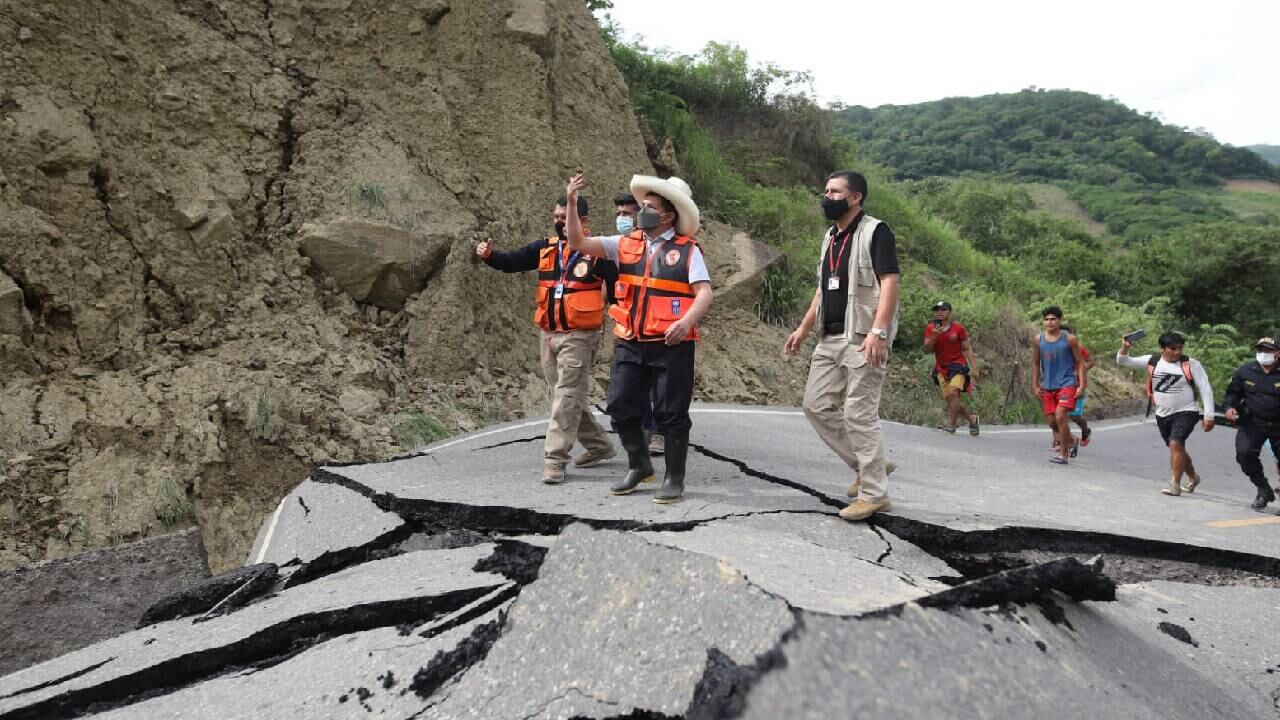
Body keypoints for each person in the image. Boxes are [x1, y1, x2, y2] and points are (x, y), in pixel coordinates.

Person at [565, 172, 713, 503]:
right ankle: (639, 465)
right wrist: (573, 203)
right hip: (631, 340)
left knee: (671, 414)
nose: (641, 210)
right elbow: (578, 242)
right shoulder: (625, 244)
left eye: (649, 206)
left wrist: (685, 322)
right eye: (642, 204)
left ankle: (674, 478)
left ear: (668, 214)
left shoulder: (687, 250)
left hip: (672, 344)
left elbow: (704, 294)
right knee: (619, 406)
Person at [783, 170, 901, 522]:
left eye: (834, 192)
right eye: (826, 190)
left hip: (862, 337)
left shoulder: (875, 231)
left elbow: (890, 281)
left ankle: (874, 494)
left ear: (855, 198)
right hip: (830, 336)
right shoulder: (830, 238)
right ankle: (869, 463)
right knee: (815, 405)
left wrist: (879, 332)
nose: (827, 196)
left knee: (858, 412)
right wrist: (804, 328)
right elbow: (824, 287)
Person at [475, 195, 616, 484]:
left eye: (566, 217)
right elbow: (511, 262)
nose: (559, 221)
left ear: (582, 221)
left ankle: (555, 460)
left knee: (566, 396)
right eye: (557, 216)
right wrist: (489, 255)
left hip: (581, 336)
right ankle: (600, 446)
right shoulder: (545, 248)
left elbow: (617, 292)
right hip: (549, 335)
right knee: (566, 395)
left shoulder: (599, 252)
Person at [1115, 331, 1215, 497]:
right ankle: (1193, 477)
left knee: (1176, 443)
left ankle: (1174, 484)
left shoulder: (1191, 364)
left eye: (1180, 348)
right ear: (1162, 348)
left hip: (1187, 411)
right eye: (1173, 348)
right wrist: (1125, 347)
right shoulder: (1153, 361)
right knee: (1177, 447)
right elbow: (1123, 361)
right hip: (1163, 414)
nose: (1177, 352)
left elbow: (1205, 388)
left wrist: (1209, 415)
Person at [615, 192, 665, 458]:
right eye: (619, 214)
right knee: (630, 386)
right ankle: (646, 426)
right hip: (629, 326)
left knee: (658, 383)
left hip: (661, 327)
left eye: (627, 213)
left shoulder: (666, 244)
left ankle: (658, 430)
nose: (622, 219)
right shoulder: (622, 245)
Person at [1223, 338, 1280, 509]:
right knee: (1244, 454)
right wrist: (1230, 407)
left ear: (1278, 353)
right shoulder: (1245, 371)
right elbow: (1232, 393)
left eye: (1268, 351)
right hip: (1253, 422)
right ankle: (1263, 489)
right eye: (1261, 350)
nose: (1264, 354)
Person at [1032, 306, 1085, 465]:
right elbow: (1035, 363)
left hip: (1067, 383)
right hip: (1048, 385)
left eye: (1053, 319)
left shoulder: (1069, 339)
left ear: (1059, 321)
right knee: (1052, 423)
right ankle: (1071, 439)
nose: (1050, 322)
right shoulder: (1038, 340)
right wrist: (1035, 385)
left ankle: (1063, 455)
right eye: (1047, 319)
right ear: (1043, 321)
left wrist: (1081, 385)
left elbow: (1080, 362)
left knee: (1060, 416)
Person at [924, 300, 979, 435]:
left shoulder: (958, 329)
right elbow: (926, 349)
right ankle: (972, 419)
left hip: (958, 365)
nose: (939, 312)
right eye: (937, 310)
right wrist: (934, 337)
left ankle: (952, 425)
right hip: (941, 368)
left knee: (954, 393)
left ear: (950, 312)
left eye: (943, 309)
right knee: (951, 400)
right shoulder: (931, 328)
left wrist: (974, 368)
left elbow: (967, 349)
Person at [1060, 325, 1094, 449]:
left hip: (1077, 384)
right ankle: (1063, 441)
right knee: (1060, 413)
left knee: (1074, 416)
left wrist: (1079, 372)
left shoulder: (1078, 348)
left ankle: (1086, 431)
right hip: (1060, 384)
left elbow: (1090, 361)